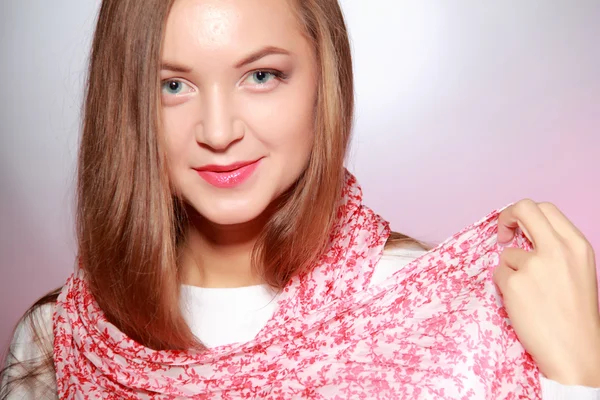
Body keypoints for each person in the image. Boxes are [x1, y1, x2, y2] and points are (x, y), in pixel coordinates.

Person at [1, 0, 599, 398]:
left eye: (261, 75)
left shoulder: (449, 318)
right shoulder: (60, 342)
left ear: (324, 78)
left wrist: (580, 379)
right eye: (172, 85)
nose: (217, 130)